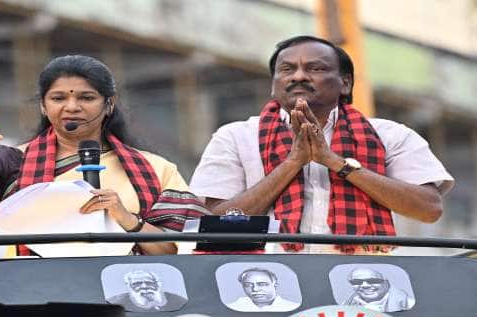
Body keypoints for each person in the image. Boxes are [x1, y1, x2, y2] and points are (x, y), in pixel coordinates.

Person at [190, 35, 454, 253]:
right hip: (266, 279)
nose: (298, 76)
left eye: (315, 69)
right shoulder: (235, 137)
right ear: (273, 85)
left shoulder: (391, 135)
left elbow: (429, 209)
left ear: (345, 83)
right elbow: (212, 223)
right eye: (287, 70)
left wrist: (335, 162)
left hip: (362, 278)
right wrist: (293, 163)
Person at [0, 55, 208, 255]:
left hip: (133, 299)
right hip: (37, 298)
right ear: (43, 106)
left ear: (109, 104)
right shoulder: (12, 161)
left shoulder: (155, 168)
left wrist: (128, 220)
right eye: (58, 98)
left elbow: (185, 251)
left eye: (86, 98)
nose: (71, 107)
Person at [109, 269, 187, 312]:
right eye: (137, 283)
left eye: (149, 282)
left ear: (157, 284)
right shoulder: (117, 302)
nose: (144, 286)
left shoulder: (177, 300)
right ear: (129, 286)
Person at [228, 267, 299, 312]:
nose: (255, 289)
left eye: (262, 284)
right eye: (248, 285)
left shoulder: (292, 307)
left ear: (275, 285)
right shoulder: (233, 307)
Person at [343, 267, 413, 312]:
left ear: (386, 283)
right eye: (357, 282)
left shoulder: (408, 304)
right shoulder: (346, 304)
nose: (365, 285)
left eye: (372, 280)